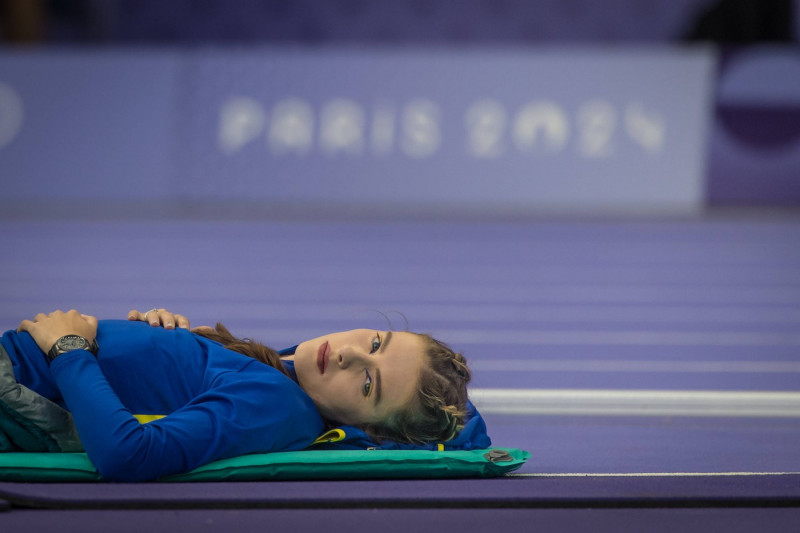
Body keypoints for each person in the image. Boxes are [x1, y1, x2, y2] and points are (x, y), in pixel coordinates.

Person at [0, 308, 473, 481]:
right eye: (375, 342)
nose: (350, 355)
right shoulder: (283, 378)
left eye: (369, 384)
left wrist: (69, 348)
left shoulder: (276, 406)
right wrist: (164, 339)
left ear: (366, 428)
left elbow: (127, 453)